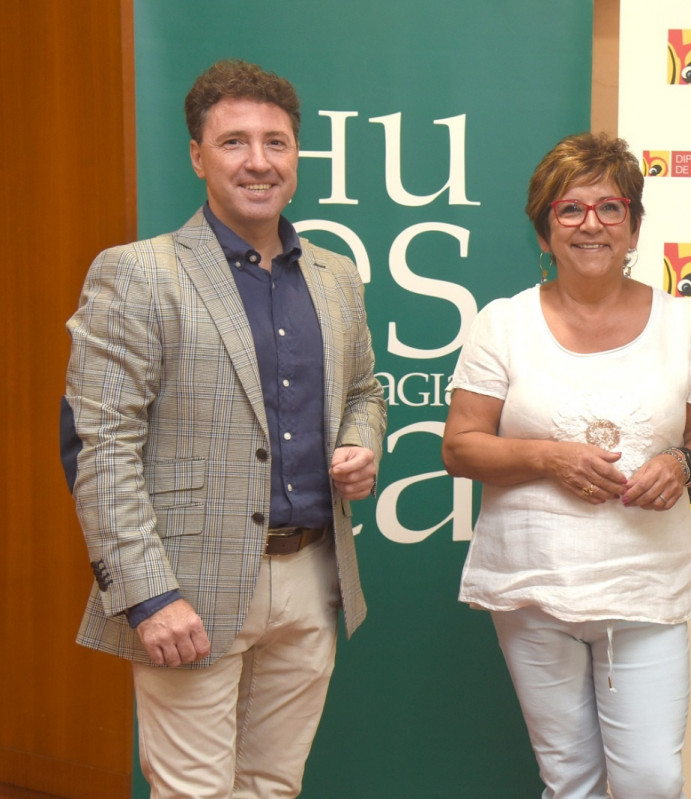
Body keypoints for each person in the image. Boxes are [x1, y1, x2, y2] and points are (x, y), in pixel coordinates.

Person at [60, 59, 386, 798]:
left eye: (276, 142)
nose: (259, 161)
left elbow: (364, 389)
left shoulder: (335, 276)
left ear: (297, 156)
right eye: (234, 141)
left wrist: (362, 440)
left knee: (274, 784)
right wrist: (147, 595)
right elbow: (99, 445)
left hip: (312, 577)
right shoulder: (138, 273)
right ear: (198, 156)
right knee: (194, 791)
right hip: (187, 589)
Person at [441, 132, 691, 799]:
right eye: (569, 209)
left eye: (610, 208)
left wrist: (682, 463)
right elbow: (460, 446)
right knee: (569, 779)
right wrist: (547, 456)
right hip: (533, 583)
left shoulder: (680, 325)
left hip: (646, 588)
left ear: (633, 228)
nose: (590, 223)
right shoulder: (502, 324)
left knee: (651, 780)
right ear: (544, 232)